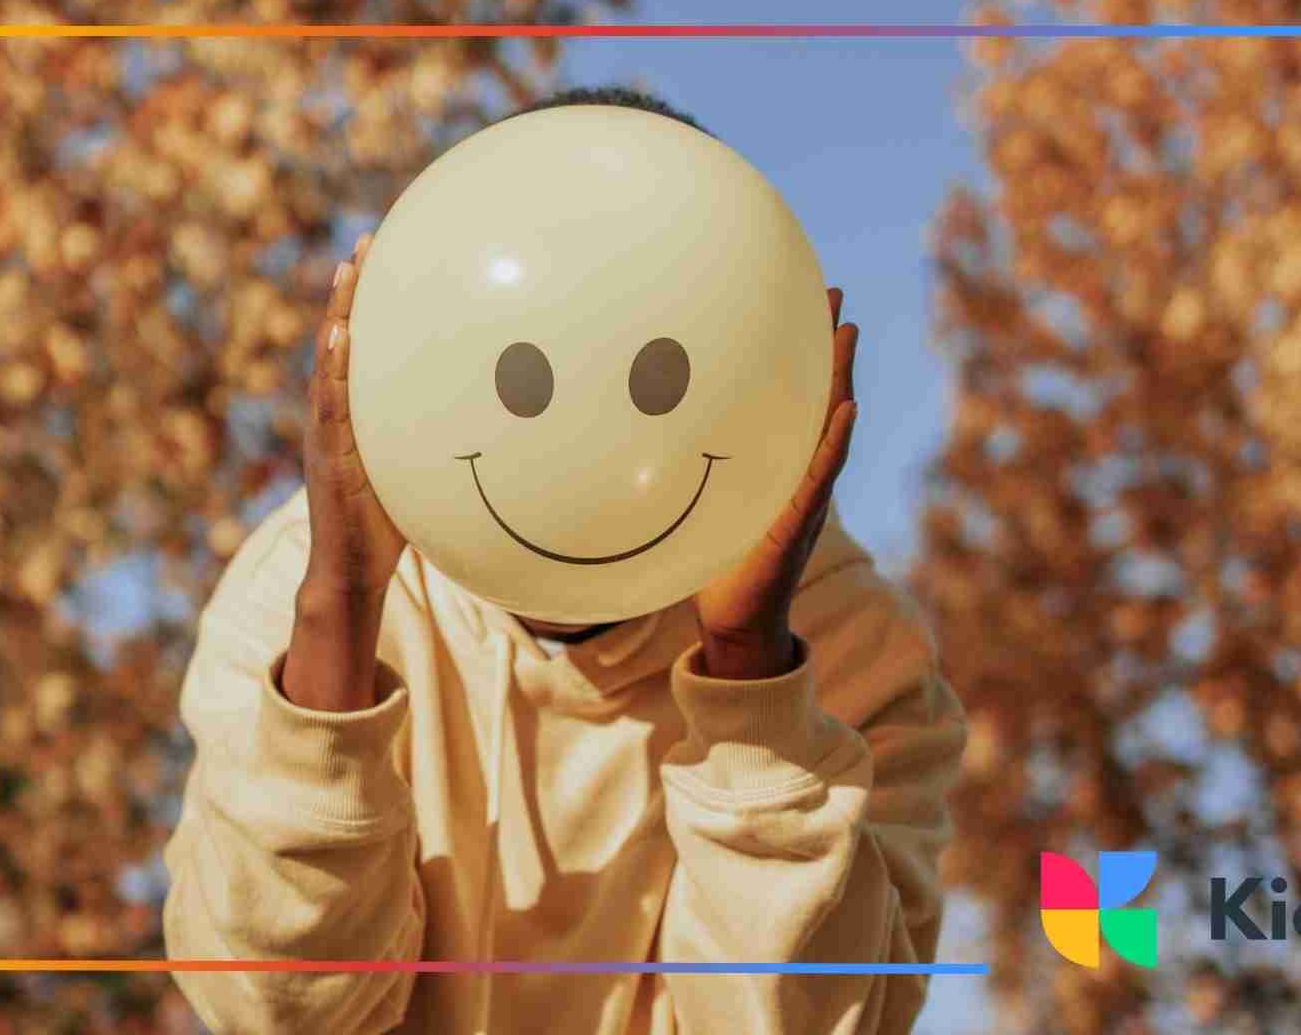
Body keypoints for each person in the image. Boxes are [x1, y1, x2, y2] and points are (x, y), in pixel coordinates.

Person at [161, 86, 968, 1035]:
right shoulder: (298, 588)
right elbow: (274, 1008)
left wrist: (752, 673)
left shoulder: (854, 644)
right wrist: (339, 611)